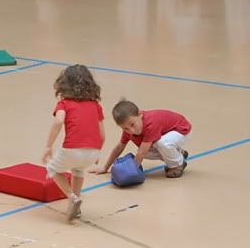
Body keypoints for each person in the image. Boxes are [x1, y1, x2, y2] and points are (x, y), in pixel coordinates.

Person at [42, 65, 104, 221]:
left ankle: (72, 197)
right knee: (78, 170)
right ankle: (76, 207)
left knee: (53, 168)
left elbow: (58, 122)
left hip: (72, 149)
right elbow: (102, 134)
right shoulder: (96, 105)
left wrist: (49, 146)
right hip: (93, 150)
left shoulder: (64, 104)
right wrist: (97, 151)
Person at [92, 100, 191, 178]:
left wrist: (131, 172)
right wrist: (105, 167)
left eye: (132, 124)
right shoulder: (129, 131)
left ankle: (177, 165)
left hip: (181, 130)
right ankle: (178, 153)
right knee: (148, 152)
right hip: (168, 135)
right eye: (125, 128)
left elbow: (141, 153)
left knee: (159, 144)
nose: (131, 130)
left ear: (140, 114)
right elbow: (118, 148)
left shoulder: (150, 124)